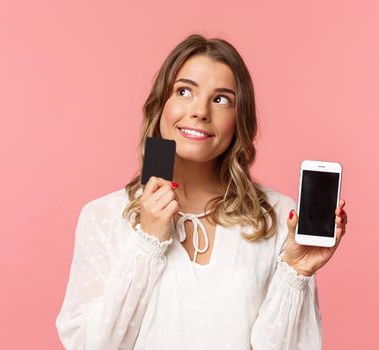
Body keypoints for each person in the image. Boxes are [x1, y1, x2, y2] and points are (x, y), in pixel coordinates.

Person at [55, 34, 349, 349]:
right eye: (184, 91)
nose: (200, 111)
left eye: (221, 99)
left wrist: (296, 272)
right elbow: (90, 345)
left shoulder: (277, 217)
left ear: (240, 119)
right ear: (161, 105)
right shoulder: (103, 218)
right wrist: (148, 242)